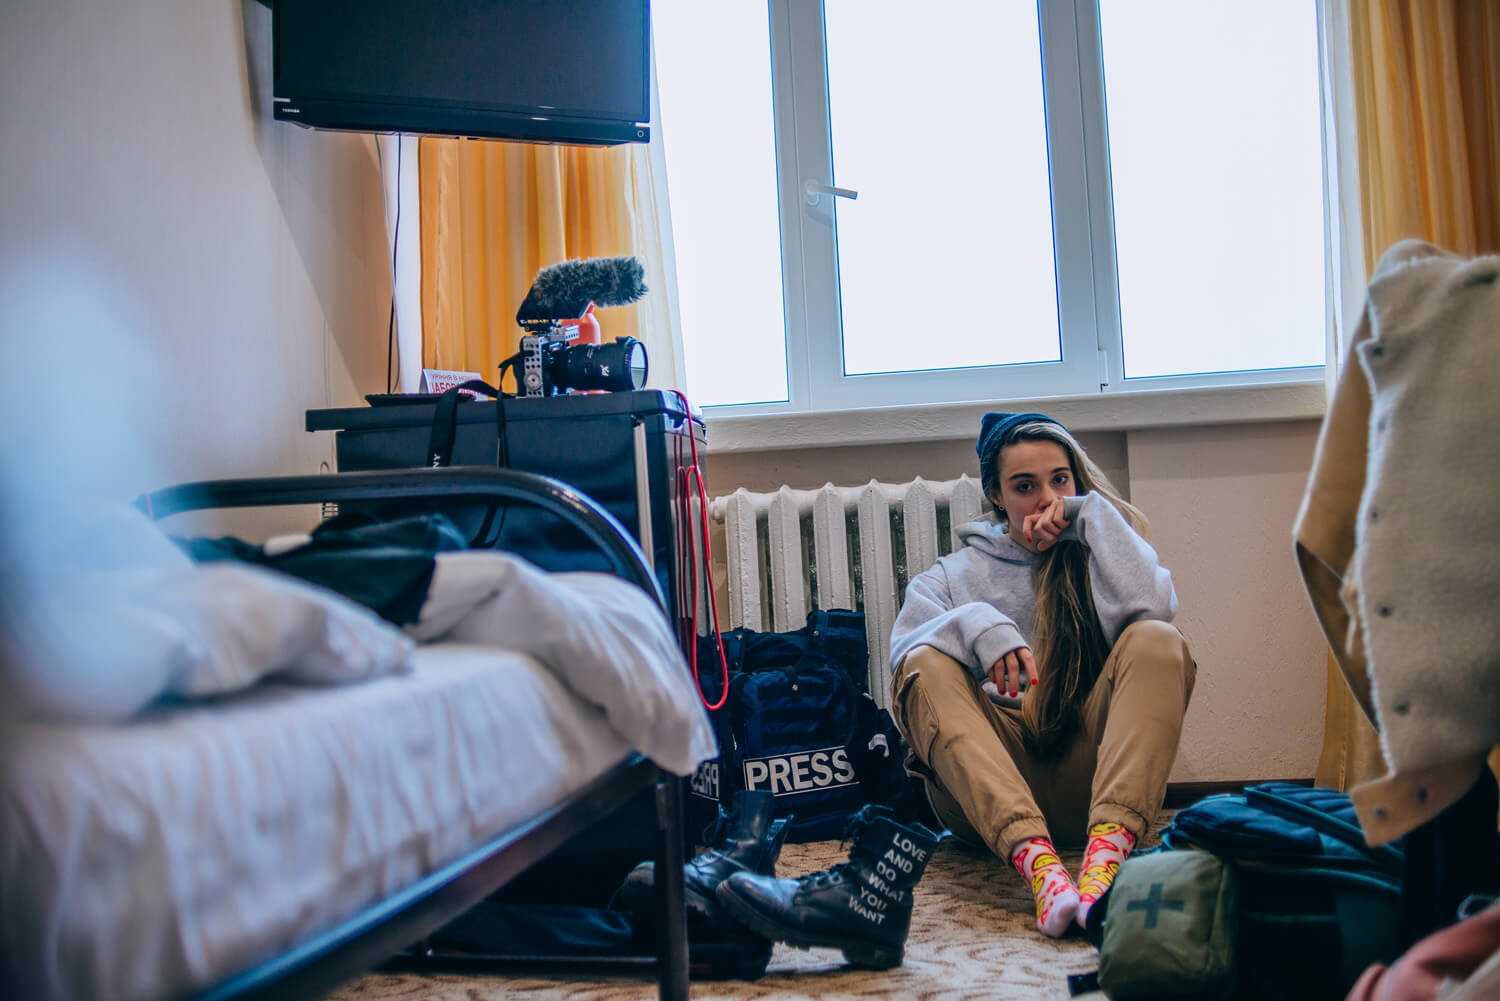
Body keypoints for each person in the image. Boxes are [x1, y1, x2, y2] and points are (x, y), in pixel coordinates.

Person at [887, 411, 1195, 937]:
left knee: (1158, 639)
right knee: (924, 662)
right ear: (997, 496)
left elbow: (1153, 607)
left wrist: (1091, 518)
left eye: (1060, 480)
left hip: (1092, 784)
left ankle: (1104, 867)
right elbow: (900, 664)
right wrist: (977, 624)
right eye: (1024, 486)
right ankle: (1043, 872)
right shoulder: (952, 576)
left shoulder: (1100, 549)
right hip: (987, 800)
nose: (1047, 498)